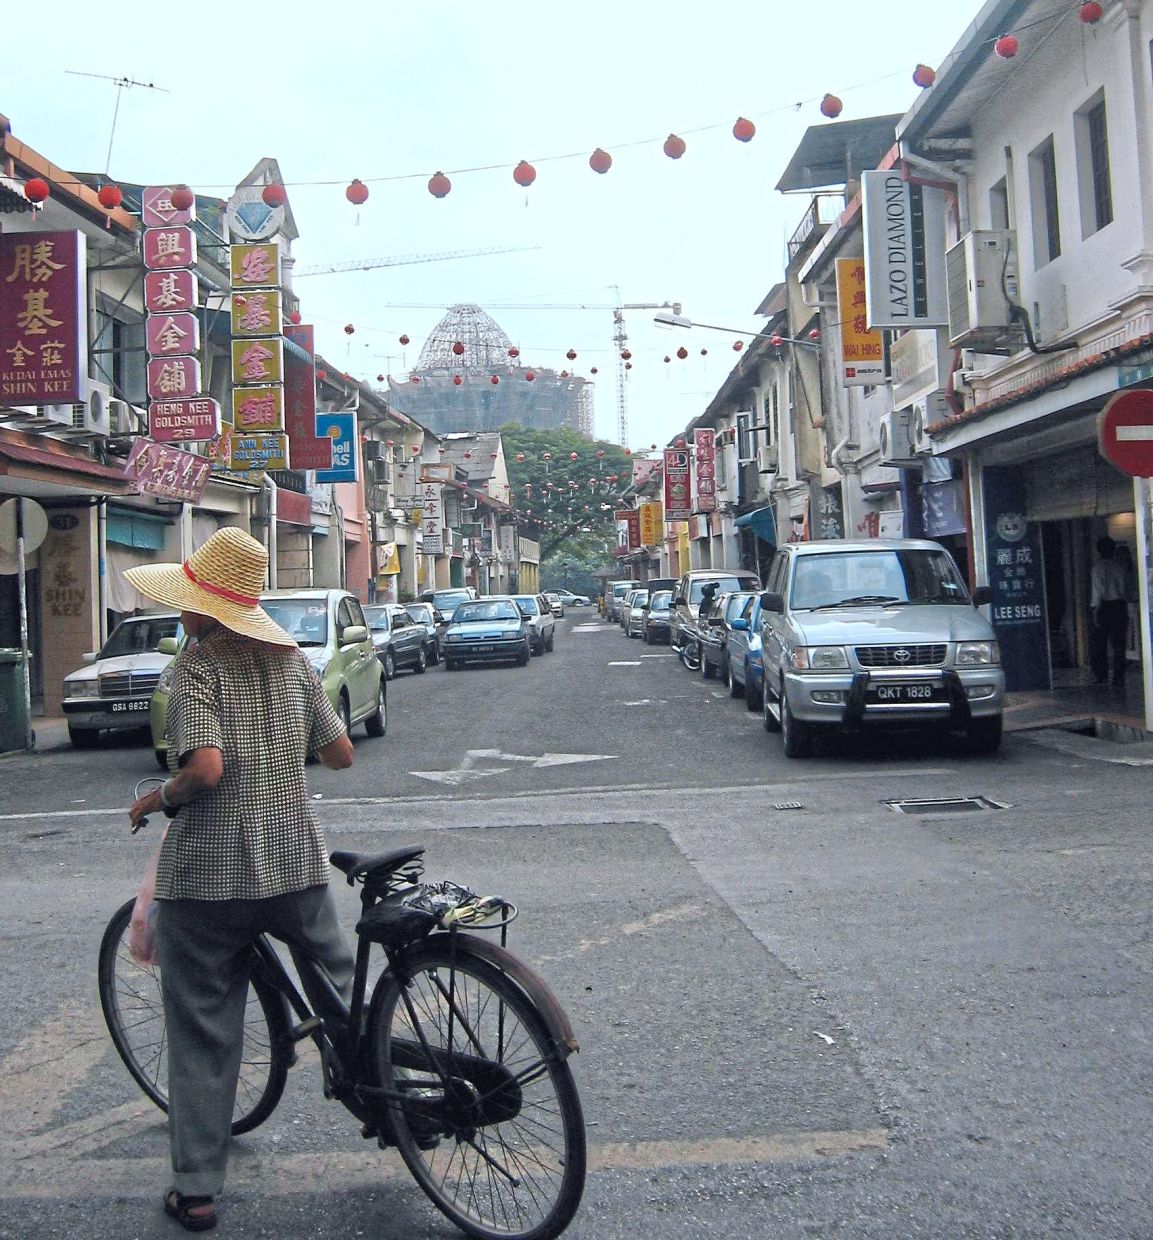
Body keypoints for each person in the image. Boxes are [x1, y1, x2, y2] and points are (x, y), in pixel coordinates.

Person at [125, 528, 355, 1232]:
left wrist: (152, 800)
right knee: (344, 995)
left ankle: (195, 1186)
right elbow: (340, 753)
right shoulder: (293, 663)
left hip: (209, 879)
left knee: (202, 1027)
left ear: (199, 609)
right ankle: (385, 1092)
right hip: (293, 860)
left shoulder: (195, 669)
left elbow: (203, 771)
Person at [1090, 536, 1129, 686]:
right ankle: (1118, 677)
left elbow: (1098, 590)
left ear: (1098, 550)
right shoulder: (1119, 566)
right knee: (1119, 644)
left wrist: (1095, 611)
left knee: (1099, 643)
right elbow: (1124, 588)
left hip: (1103, 607)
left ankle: (1101, 675)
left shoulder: (1097, 567)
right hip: (1119, 605)